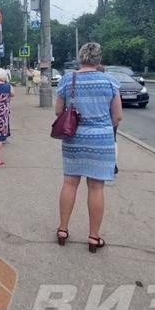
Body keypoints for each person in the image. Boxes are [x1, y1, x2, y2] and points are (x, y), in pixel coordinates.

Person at [55, 43, 123, 252]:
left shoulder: (67, 80)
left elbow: (58, 112)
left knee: (69, 183)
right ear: (99, 59)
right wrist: (103, 128)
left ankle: (62, 230)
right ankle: (93, 237)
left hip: (73, 138)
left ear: (80, 58)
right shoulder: (110, 81)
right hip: (101, 140)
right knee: (96, 187)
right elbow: (118, 116)